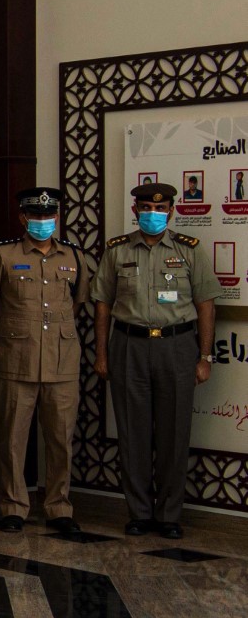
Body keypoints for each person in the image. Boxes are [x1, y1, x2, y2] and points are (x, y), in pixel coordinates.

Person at [92, 182, 222, 539]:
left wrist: (205, 356)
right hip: (128, 346)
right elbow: (102, 305)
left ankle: (168, 515)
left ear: (171, 212)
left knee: (174, 434)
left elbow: (206, 305)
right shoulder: (117, 250)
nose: (153, 214)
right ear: (135, 211)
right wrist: (102, 354)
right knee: (132, 433)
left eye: (160, 209)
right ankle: (138, 513)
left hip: (176, 347)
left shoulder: (189, 250)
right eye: (146, 208)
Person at [0, 187, 93, 534]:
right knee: (12, 439)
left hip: (61, 363)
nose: (42, 221)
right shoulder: (2, 255)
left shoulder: (73, 256)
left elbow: (77, 303)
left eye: (48, 216)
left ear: (57, 218)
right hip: (16, 360)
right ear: (23, 218)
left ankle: (58, 506)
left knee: (60, 439)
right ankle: (13, 506)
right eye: (35, 216)